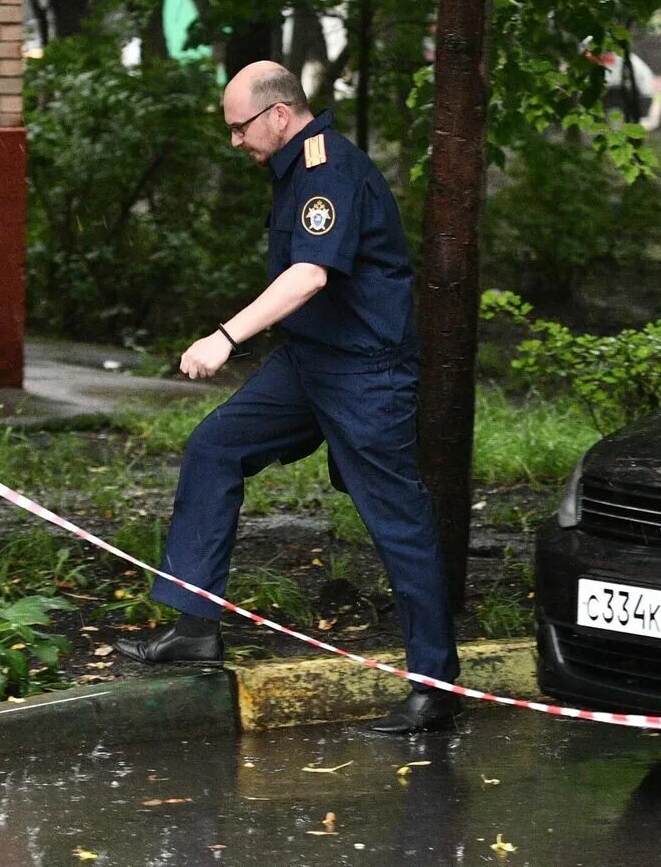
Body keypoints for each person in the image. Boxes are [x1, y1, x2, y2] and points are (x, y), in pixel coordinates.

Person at [115, 61, 462, 734]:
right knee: (216, 446)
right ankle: (194, 624)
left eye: (240, 127)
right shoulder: (294, 170)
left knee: (397, 519)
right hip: (309, 363)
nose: (236, 141)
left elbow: (309, 273)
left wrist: (225, 336)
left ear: (278, 114)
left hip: (366, 372)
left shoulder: (328, 172)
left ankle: (434, 684)